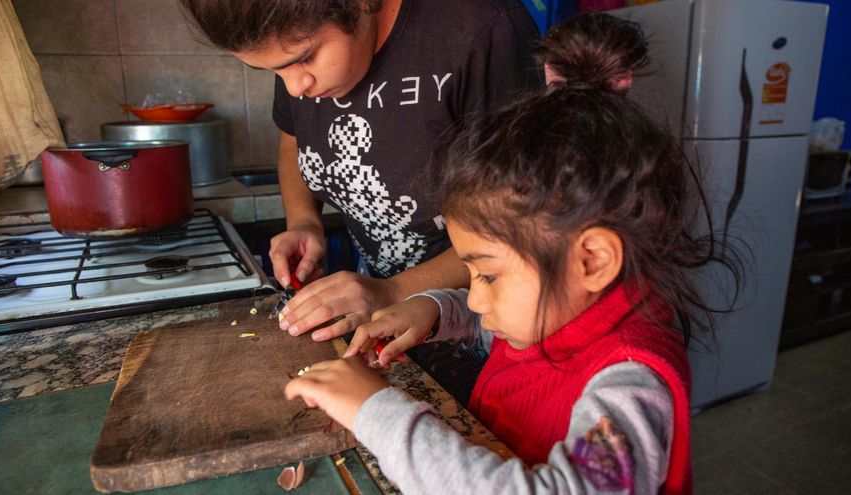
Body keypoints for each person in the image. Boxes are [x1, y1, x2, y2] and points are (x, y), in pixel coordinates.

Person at [283, 13, 742, 494]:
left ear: (593, 261)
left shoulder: (630, 386)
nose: (476, 298)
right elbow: (502, 330)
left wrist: (376, 412)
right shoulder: (563, 305)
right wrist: (434, 311)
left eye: (489, 276)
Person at [179, 0, 542, 347]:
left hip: (486, 317)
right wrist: (304, 222)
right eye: (273, 70)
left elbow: (521, 224)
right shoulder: (292, 46)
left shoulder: (482, 30)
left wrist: (392, 291)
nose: (294, 87)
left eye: (303, 59)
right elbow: (294, 141)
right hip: (378, 297)